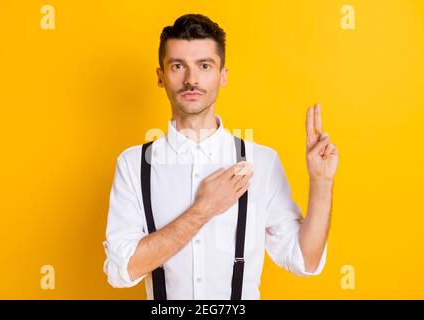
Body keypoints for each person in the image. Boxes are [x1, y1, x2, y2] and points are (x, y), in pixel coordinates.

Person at [103, 13, 339, 300]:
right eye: (178, 66)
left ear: (222, 75)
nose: (191, 79)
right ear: (161, 77)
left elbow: (305, 261)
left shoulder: (261, 162)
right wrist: (203, 209)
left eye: (205, 65)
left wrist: (321, 182)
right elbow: (121, 270)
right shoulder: (133, 165)